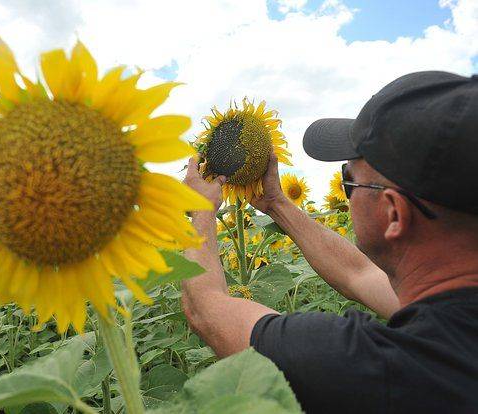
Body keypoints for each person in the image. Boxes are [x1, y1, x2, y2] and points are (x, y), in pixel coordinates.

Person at [181, 71, 478, 413]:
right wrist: (277, 204)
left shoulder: (380, 371)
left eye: (348, 180)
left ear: (394, 214)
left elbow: (206, 310)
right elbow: (360, 275)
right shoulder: (456, 323)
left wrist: (201, 213)